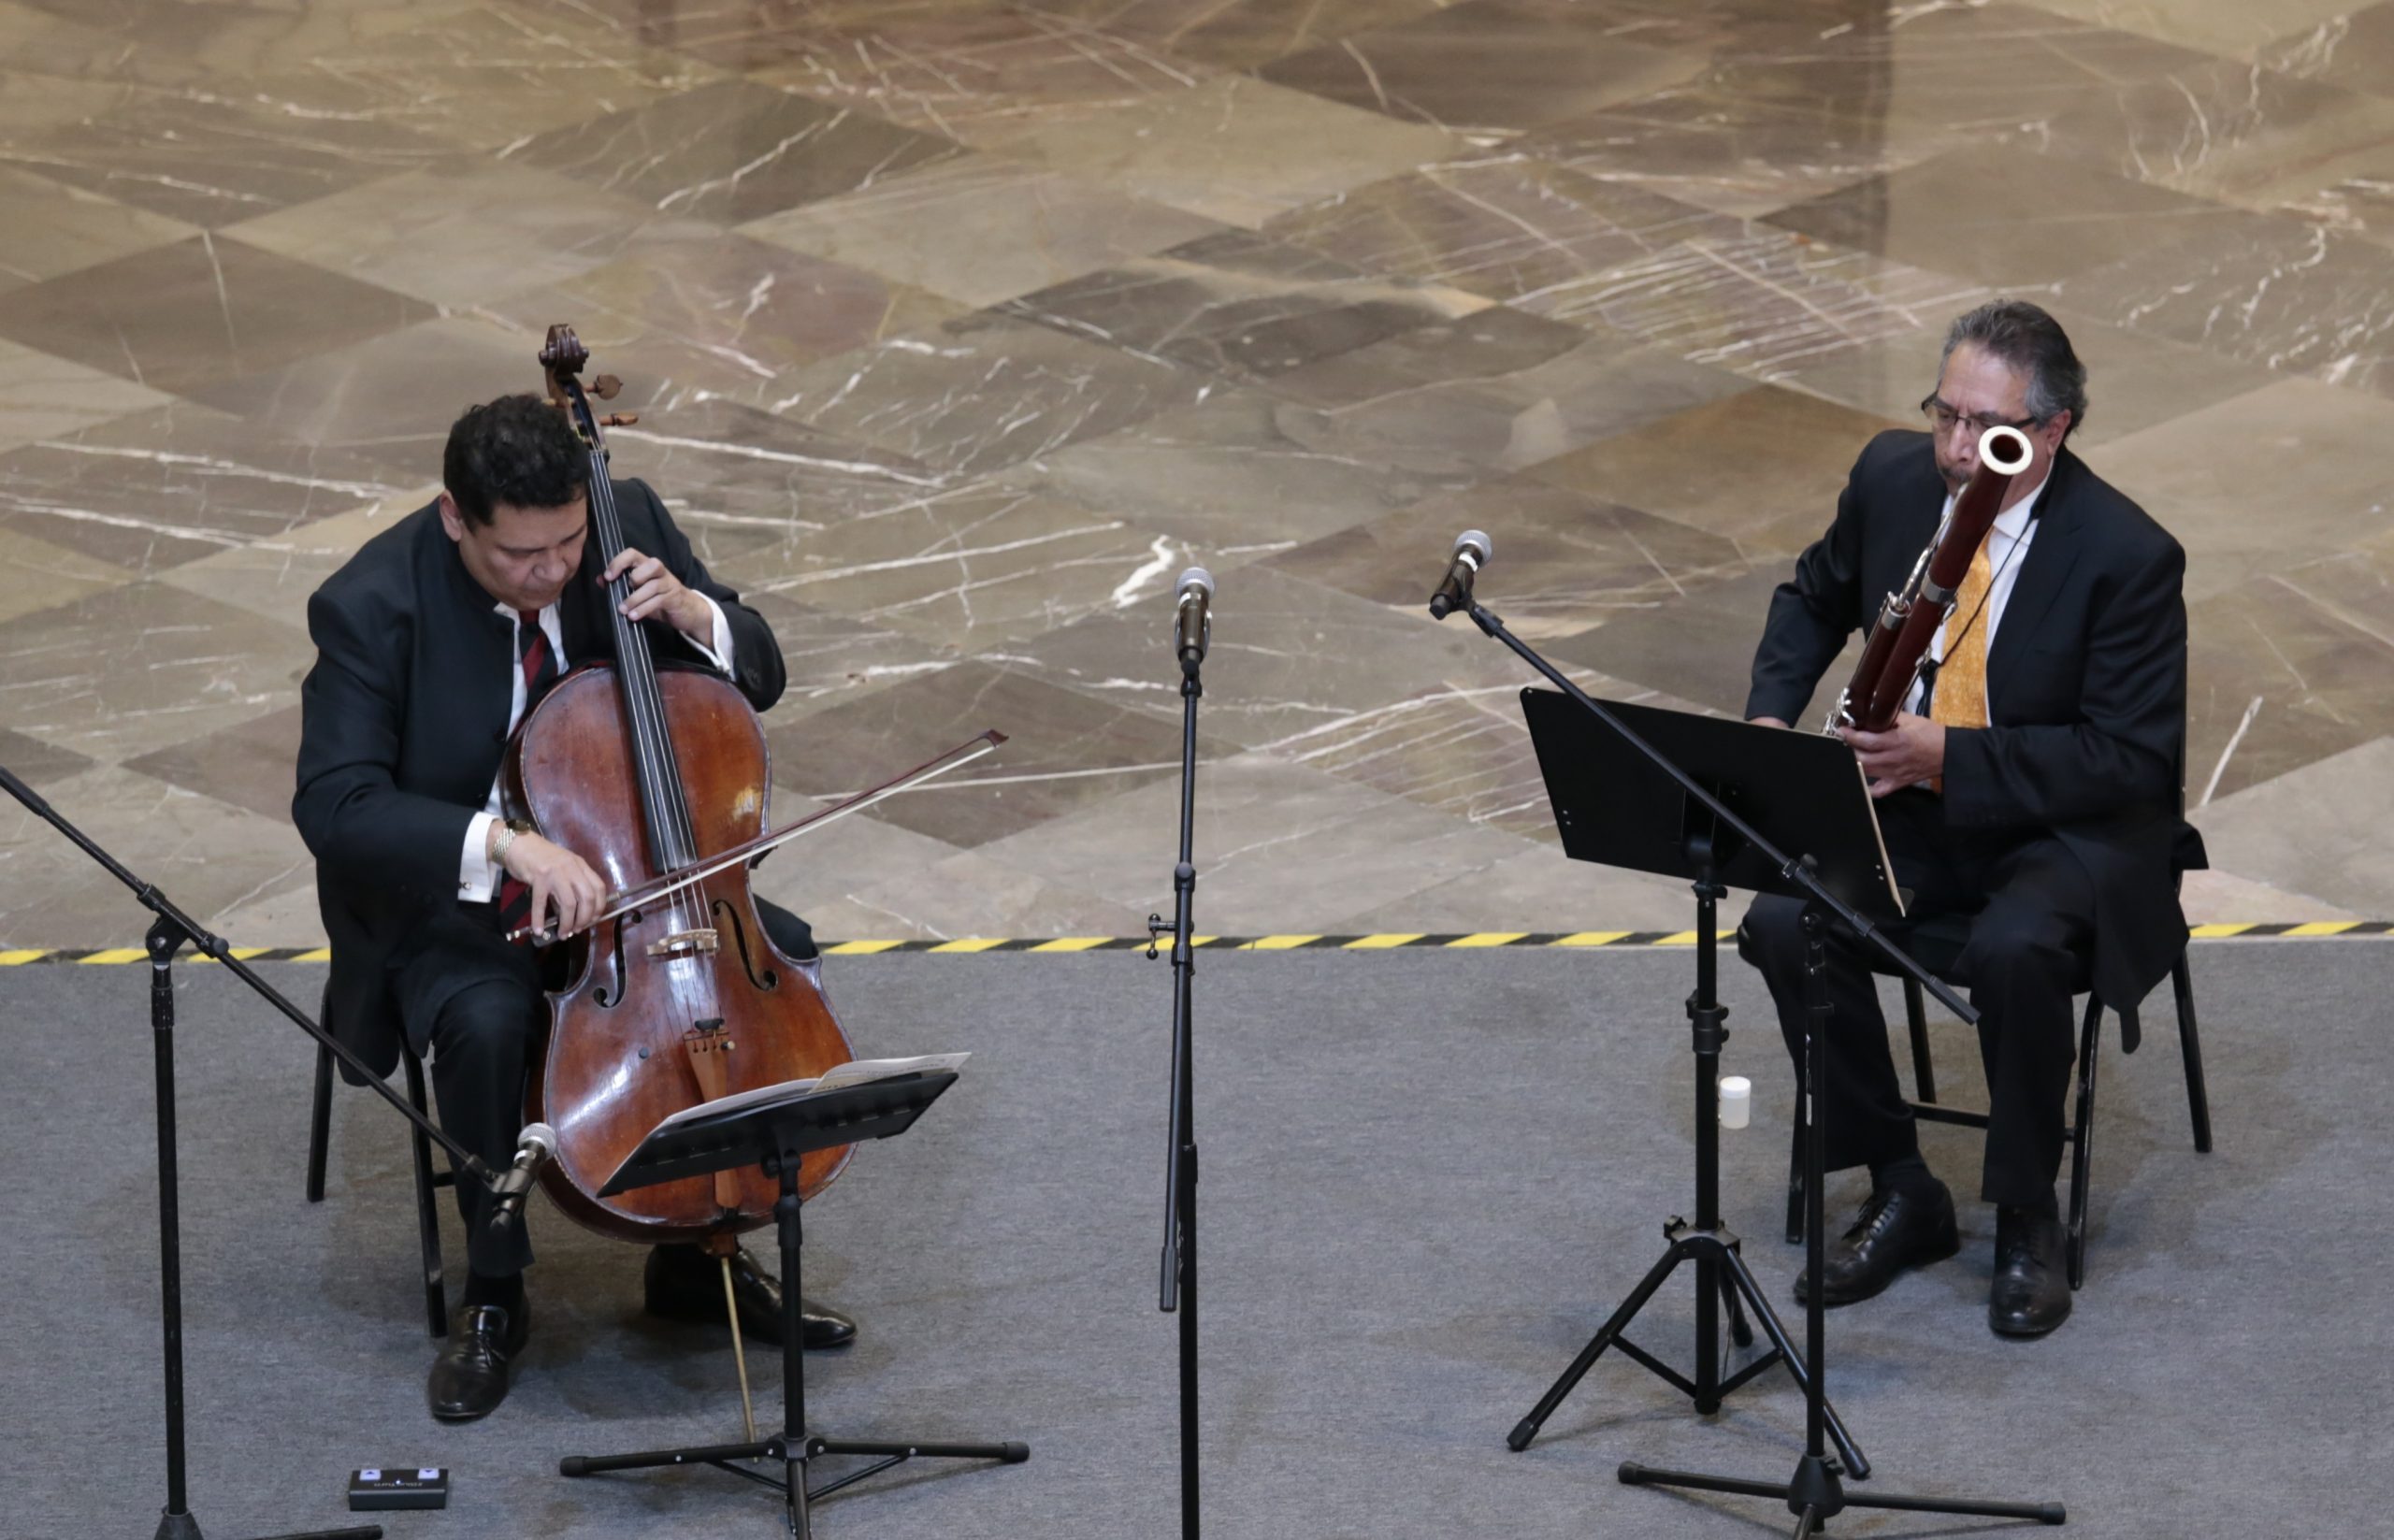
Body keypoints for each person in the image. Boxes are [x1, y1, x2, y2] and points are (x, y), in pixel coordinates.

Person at [294, 394, 856, 1421]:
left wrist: (696, 614)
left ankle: (701, 1253)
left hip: (636, 877)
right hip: (462, 896)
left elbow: (762, 672)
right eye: (520, 554)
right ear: (456, 517)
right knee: (486, 1019)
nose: (553, 570)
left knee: (771, 963)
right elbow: (336, 805)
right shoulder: (371, 603)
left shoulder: (624, 515)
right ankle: (495, 1291)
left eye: (567, 543)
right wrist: (505, 843)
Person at [1740, 299, 2198, 1337]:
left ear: (2052, 429)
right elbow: (1812, 597)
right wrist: (1770, 722)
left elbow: (2127, 759)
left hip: (2067, 828)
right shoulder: (1892, 478)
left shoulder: (2127, 554)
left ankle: (2028, 1211)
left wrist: (1952, 758)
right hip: (1912, 798)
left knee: (2015, 948)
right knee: (1783, 918)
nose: (1954, 449)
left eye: (1984, 429)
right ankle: (1903, 1184)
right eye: (1944, 415)